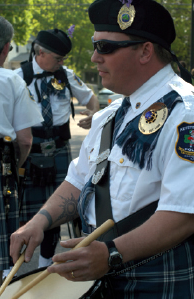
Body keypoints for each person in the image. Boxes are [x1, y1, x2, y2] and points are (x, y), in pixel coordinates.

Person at [10, 0, 194, 297]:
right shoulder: (110, 115)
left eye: (105, 47)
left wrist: (110, 255)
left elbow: (184, 214)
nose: (95, 57)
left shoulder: (185, 112)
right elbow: (80, 179)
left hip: (155, 279)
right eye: (96, 46)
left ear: (146, 51)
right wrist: (39, 222)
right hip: (103, 274)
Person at [12, 28, 99, 269]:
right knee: (25, 210)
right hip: (30, 151)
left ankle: (45, 263)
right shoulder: (18, 78)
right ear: (40, 53)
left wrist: (93, 113)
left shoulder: (66, 76)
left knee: (56, 208)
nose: (61, 63)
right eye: (58, 58)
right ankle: (15, 265)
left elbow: (91, 99)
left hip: (59, 149)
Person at [0, 16, 43, 286]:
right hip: (0, 171)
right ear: (5, 48)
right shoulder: (10, 80)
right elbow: (25, 140)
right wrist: (16, 169)